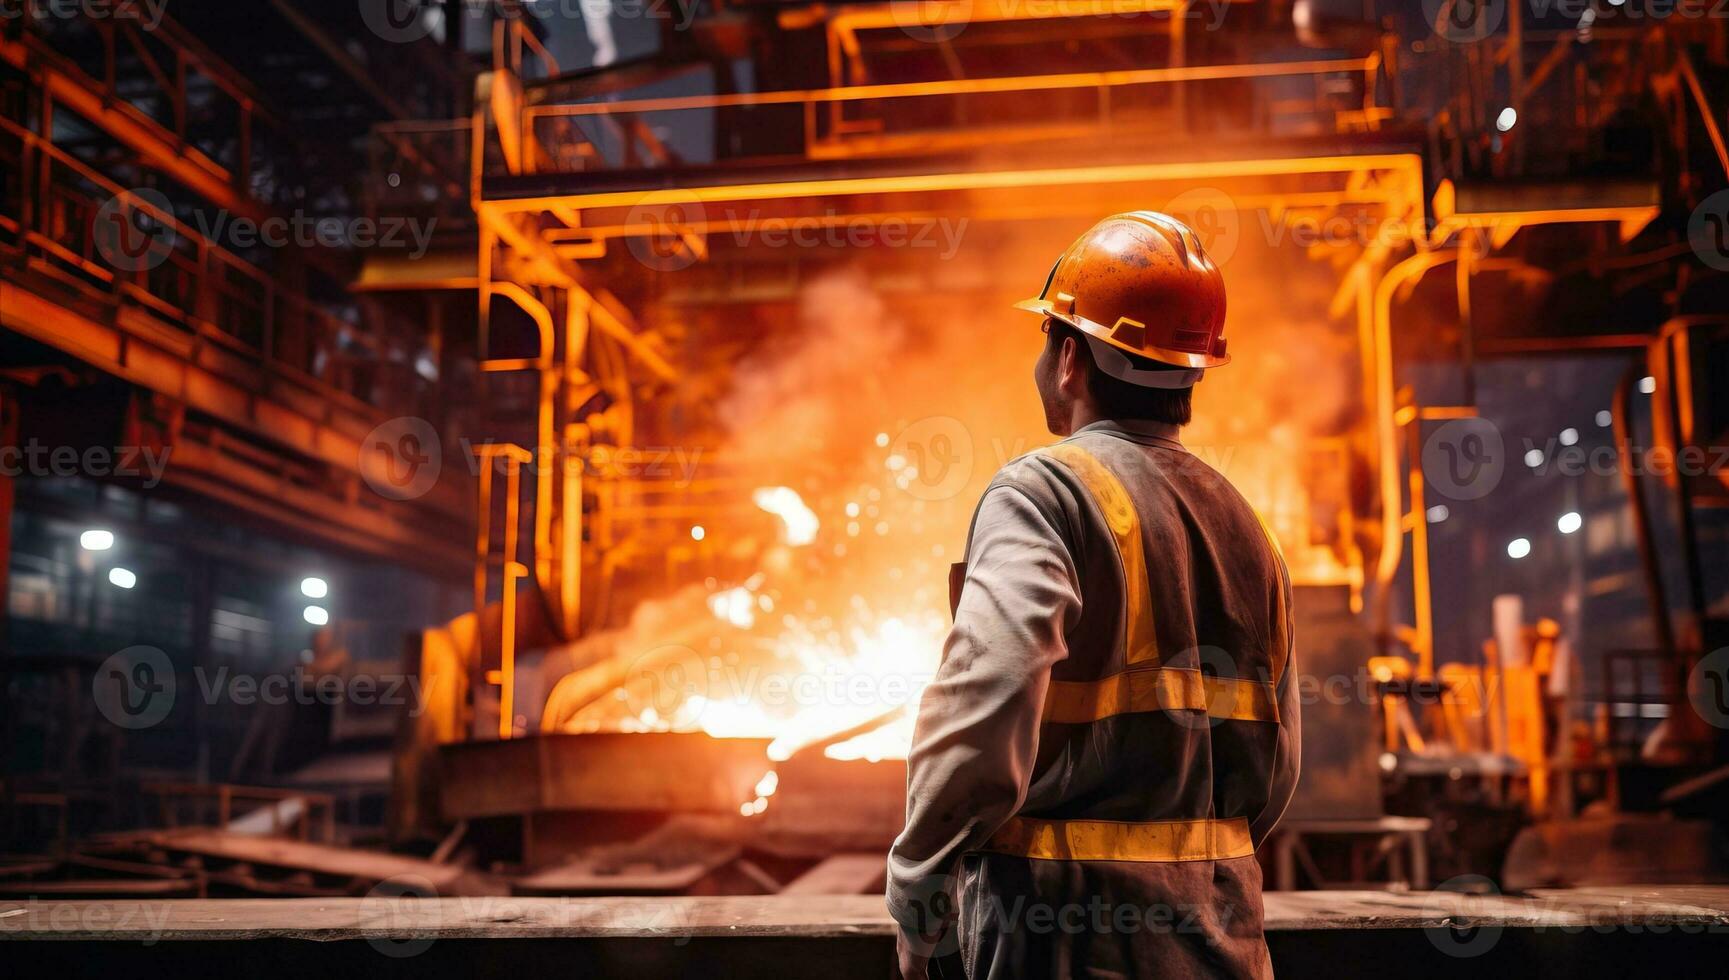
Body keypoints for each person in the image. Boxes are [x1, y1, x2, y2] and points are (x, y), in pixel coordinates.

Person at [887, 212, 1301, 979]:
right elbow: (1274, 776)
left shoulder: (1043, 493)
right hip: (1226, 942)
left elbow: (987, 701)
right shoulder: (1250, 527)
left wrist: (918, 889)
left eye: (1046, 338)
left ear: (1070, 358)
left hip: (1063, 942)